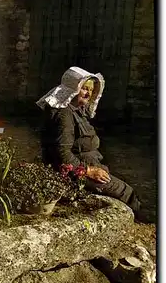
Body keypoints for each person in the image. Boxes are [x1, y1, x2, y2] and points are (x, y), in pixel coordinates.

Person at [36, 66, 142, 216]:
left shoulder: (75, 111)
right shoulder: (64, 115)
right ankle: (141, 225)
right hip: (74, 173)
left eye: (91, 90)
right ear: (73, 88)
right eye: (85, 89)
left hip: (86, 167)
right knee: (126, 192)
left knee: (123, 189)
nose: (89, 93)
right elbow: (61, 154)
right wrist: (88, 171)